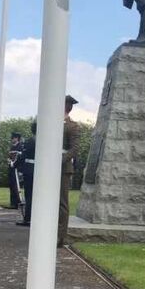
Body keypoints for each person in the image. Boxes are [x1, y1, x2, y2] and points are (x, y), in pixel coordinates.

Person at [58, 95, 81, 247]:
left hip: (63, 168)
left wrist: (59, 160)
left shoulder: (73, 126)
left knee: (62, 203)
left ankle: (60, 236)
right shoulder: (53, 123)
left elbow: (74, 149)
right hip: (50, 167)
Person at [17, 122, 37, 227]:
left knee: (29, 195)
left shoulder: (30, 141)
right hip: (40, 170)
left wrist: (16, 164)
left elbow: (23, 156)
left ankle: (28, 218)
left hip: (29, 170)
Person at [7, 132, 24, 209]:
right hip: (11, 168)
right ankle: (12, 203)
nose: (12, 139)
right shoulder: (12, 147)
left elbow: (20, 157)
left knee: (16, 186)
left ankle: (17, 202)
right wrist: (9, 161)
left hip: (17, 168)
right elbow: (10, 156)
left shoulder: (20, 146)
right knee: (11, 185)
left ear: (17, 138)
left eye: (13, 138)